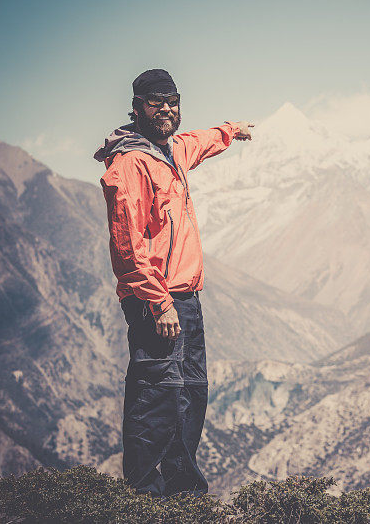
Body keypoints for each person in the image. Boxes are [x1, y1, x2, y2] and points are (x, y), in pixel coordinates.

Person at [94, 68, 253, 498]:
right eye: (155, 103)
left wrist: (230, 131)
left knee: (191, 394)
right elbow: (127, 244)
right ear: (137, 108)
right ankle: (145, 497)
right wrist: (158, 301)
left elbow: (198, 142)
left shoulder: (169, 151)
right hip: (157, 301)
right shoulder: (131, 163)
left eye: (172, 102)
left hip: (186, 297)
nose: (166, 109)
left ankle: (183, 493)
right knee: (155, 397)